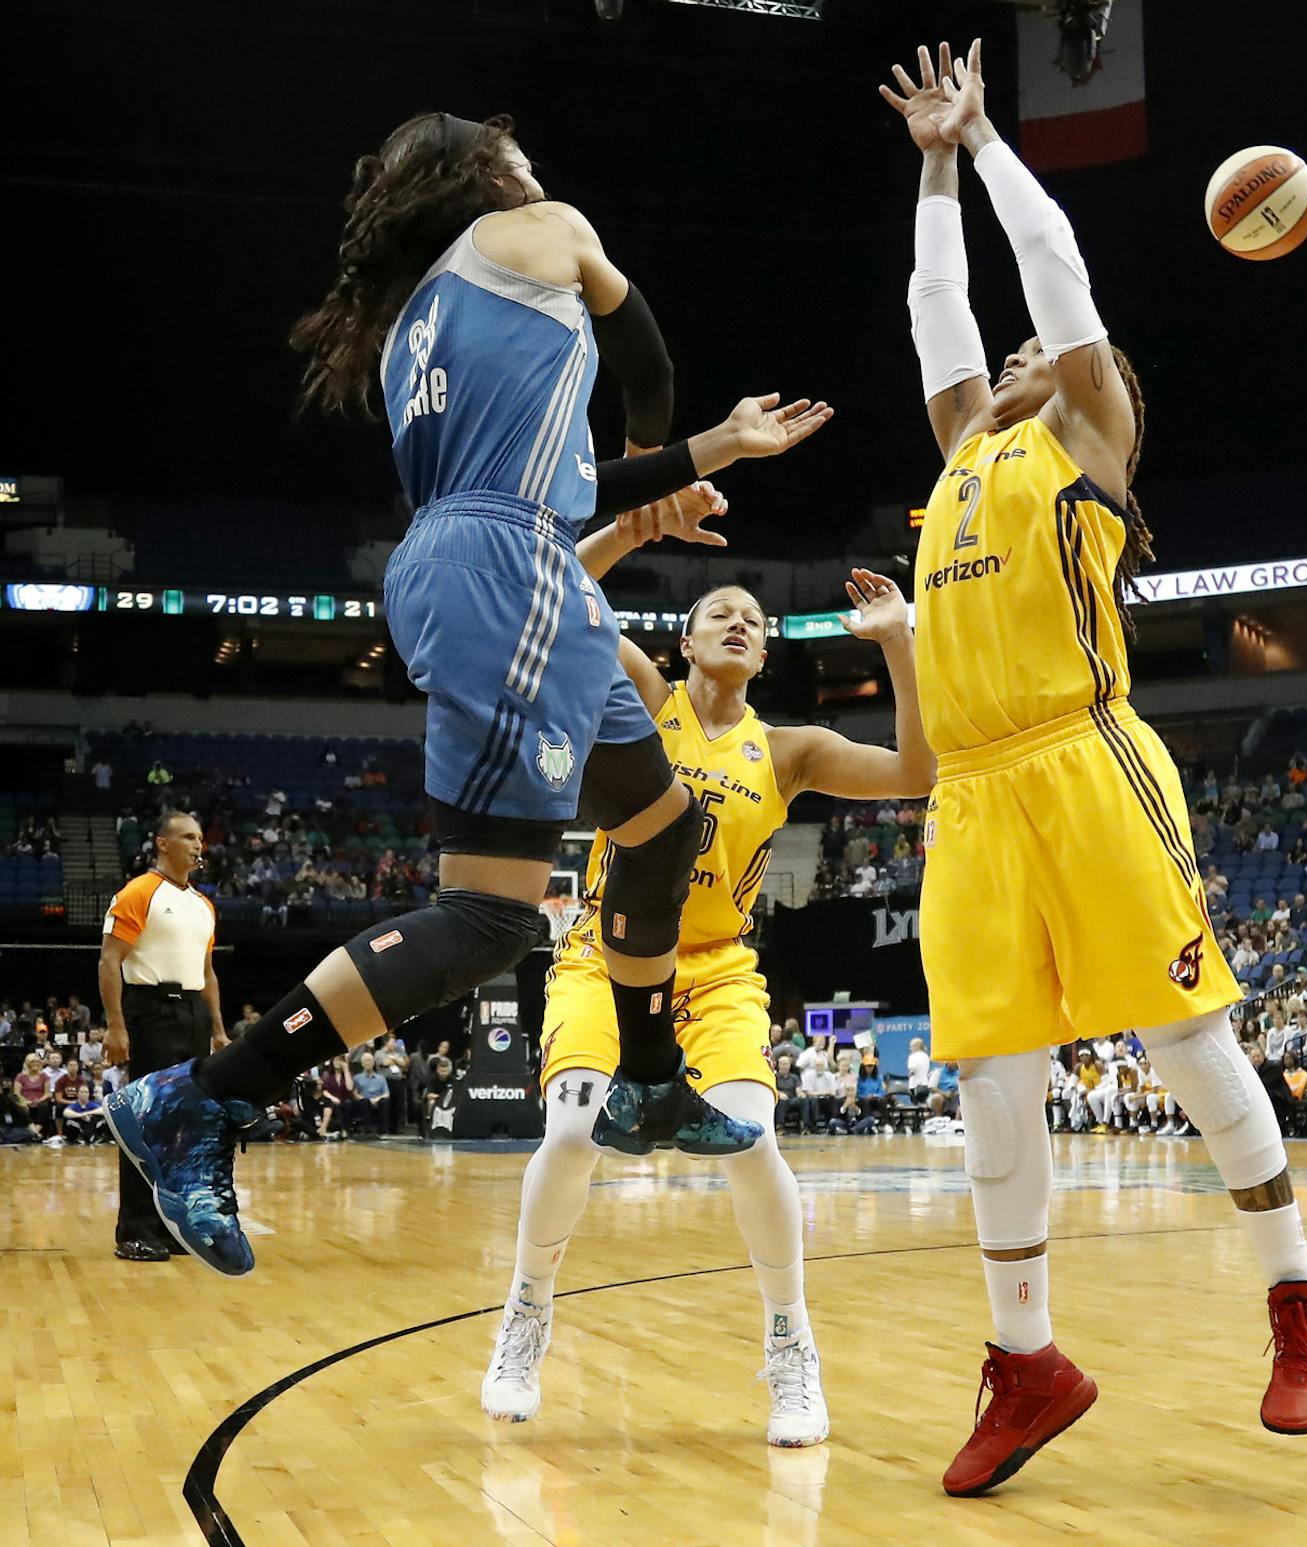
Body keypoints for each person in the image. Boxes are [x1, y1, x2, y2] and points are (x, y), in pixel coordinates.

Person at [107, 111, 833, 1277]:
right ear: (488, 174)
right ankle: (200, 1096)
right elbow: (643, 361)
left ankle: (649, 1083)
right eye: (521, 153)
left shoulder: (411, 333)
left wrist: (707, 456)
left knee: (661, 828)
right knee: (495, 913)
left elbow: (571, 472)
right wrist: (670, 453)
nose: (539, 164)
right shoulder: (541, 226)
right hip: (511, 570)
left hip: (500, 559)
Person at [882, 41, 1307, 1496]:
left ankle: (1295, 1295)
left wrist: (996, 145)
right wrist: (934, 168)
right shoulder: (963, 447)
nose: (1011, 358)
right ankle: (1027, 1362)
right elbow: (934, 302)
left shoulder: (1086, 435)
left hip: (1085, 760)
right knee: (992, 1083)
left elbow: (1054, 272)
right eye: (1004, 360)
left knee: (1185, 1042)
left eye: (1040, 355)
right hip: (971, 793)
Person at [480, 558, 935, 1447]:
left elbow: (917, 770)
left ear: (762, 655)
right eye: (718, 611)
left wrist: (898, 642)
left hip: (717, 969)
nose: (738, 620)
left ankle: (790, 1339)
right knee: (571, 1134)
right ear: (682, 643)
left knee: (756, 1143)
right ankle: (526, 1313)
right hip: (605, 955)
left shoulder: (790, 750)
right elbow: (561, 592)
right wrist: (640, 508)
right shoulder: (649, 703)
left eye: (753, 618)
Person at [98, 812, 225, 1261]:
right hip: (149, 1011)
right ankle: (134, 1229)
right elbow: (110, 960)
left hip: (191, 1013)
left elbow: (207, 973)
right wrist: (116, 1024)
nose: (197, 844)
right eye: (188, 836)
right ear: (162, 843)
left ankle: (169, 1227)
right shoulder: (139, 892)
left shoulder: (203, 905)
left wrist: (218, 1030)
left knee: (182, 1128)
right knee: (146, 1120)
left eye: (200, 837)